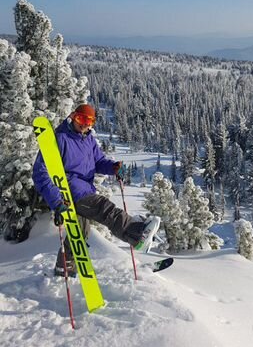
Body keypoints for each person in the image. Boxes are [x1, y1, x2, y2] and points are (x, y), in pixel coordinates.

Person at [33, 103, 160, 277]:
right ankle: (137, 234)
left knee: (80, 234)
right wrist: (56, 201)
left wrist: (113, 167)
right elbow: (40, 173)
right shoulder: (61, 138)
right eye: (81, 119)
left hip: (84, 189)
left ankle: (64, 269)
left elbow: (99, 161)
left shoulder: (88, 140)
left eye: (89, 121)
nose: (85, 124)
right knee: (105, 209)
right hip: (71, 192)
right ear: (73, 116)